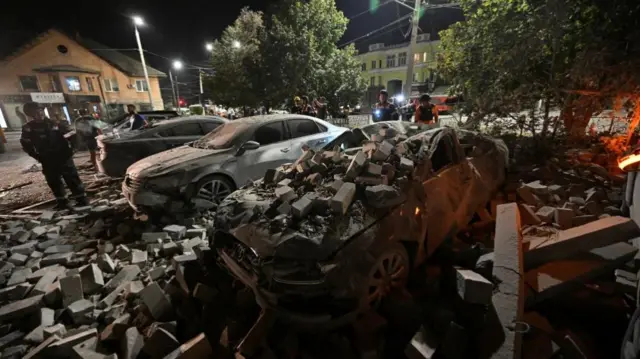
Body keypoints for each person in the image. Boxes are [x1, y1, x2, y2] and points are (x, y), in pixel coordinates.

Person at [20, 102, 88, 209]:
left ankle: (81, 200)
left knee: (72, 178)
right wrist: (37, 156)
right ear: (30, 114)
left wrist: (72, 150)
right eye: (36, 112)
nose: (40, 114)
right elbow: (26, 144)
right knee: (53, 181)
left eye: (41, 111)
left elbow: (72, 136)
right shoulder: (28, 128)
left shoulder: (56, 124)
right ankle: (63, 202)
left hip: (63, 156)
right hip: (47, 159)